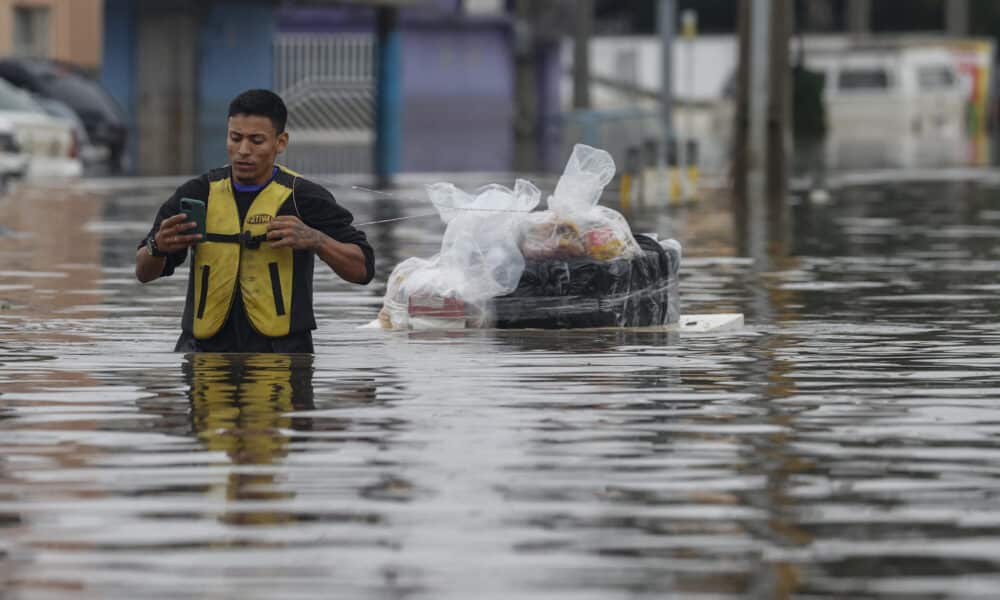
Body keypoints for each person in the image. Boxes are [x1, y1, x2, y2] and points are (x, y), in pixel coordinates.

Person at [135, 89, 374, 353]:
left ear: (280, 142)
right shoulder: (197, 193)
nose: (243, 151)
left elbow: (362, 270)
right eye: (235, 138)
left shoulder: (302, 197)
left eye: (256, 140)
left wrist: (316, 240)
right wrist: (157, 247)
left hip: (283, 356)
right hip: (202, 354)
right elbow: (143, 273)